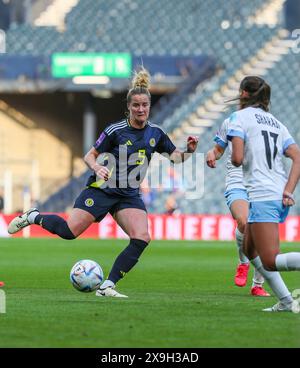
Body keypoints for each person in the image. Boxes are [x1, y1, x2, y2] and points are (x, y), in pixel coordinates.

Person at [8, 68, 198, 298]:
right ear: (128, 106)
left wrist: (188, 150)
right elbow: (90, 155)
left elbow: (176, 158)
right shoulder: (115, 130)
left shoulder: (156, 133)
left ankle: (108, 285)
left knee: (141, 237)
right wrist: (97, 167)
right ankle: (33, 217)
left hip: (128, 194)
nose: (141, 109)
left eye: (144, 105)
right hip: (102, 190)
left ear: (149, 106)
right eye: (136, 105)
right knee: (70, 232)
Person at [227, 75, 300, 312]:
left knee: (270, 259)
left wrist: (238, 152)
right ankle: (286, 301)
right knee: (249, 249)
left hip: (262, 194)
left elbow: (237, 159)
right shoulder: (277, 123)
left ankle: (286, 302)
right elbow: (297, 156)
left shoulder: (239, 118)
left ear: (244, 94)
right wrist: (289, 189)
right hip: (279, 193)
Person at [206, 122, 270, 297]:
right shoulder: (232, 121)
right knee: (244, 221)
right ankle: (243, 262)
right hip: (237, 182)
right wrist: (212, 153)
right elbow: (218, 150)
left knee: (260, 230)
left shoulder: (271, 124)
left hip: (262, 185)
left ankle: (257, 285)